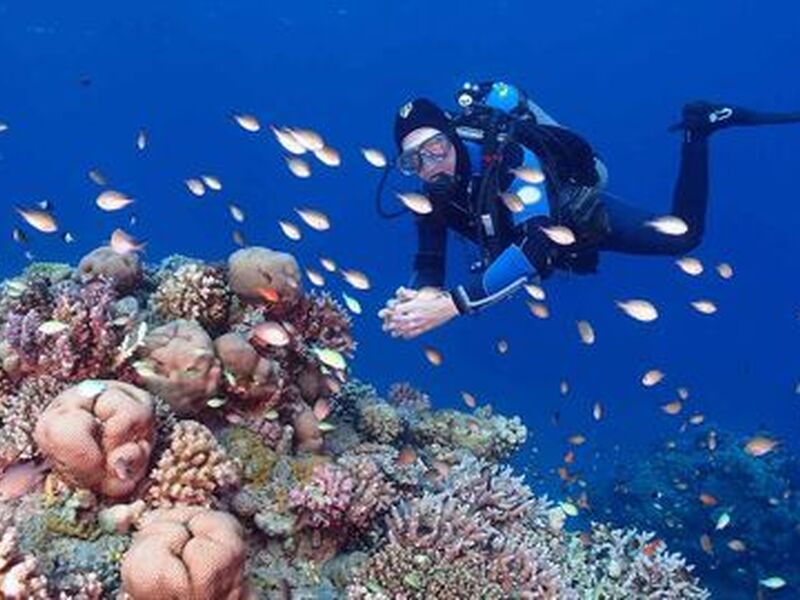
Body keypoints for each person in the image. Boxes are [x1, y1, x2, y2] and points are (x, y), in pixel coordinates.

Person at [378, 81, 800, 340]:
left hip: (574, 215)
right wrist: (419, 300)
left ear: (453, 137)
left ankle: (699, 130)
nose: (432, 164)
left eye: (437, 147)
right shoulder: (430, 195)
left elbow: (537, 243)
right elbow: (429, 260)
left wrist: (453, 304)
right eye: (414, 160)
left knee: (685, 236)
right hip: (539, 246)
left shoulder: (509, 157)